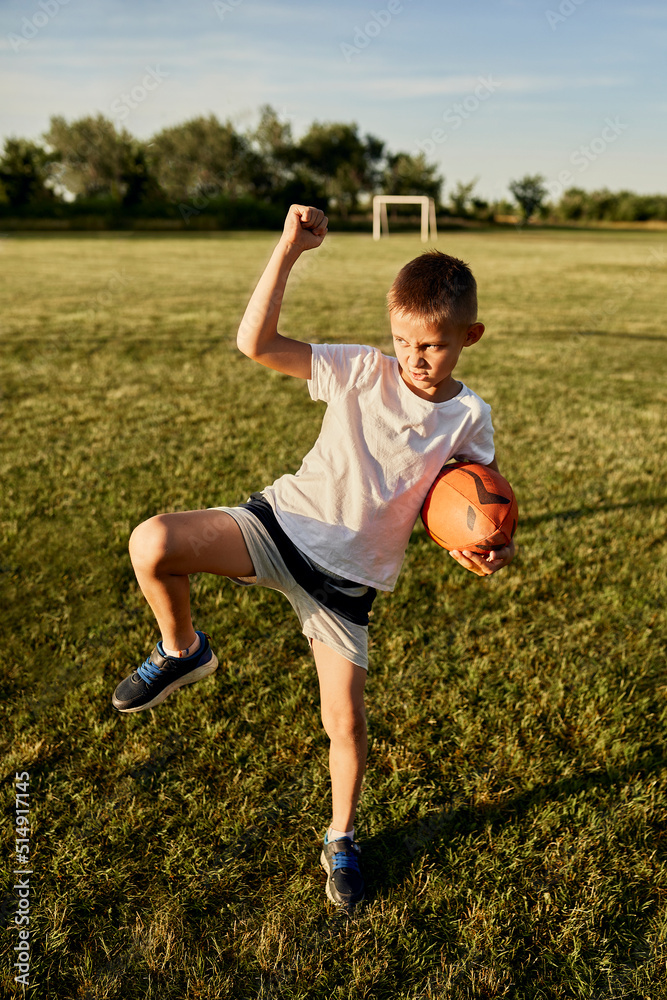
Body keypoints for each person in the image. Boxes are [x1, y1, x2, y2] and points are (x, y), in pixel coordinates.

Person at [111, 204, 516, 909]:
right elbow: (255, 342)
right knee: (152, 541)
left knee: (347, 726)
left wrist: (480, 549)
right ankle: (183, 650)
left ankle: (340, 840)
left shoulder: (468, 417)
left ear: (469, 338)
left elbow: (461, 505)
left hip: (345, 586)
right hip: (280, 527)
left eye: (431, 347)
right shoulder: (361, 370)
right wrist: (288, 250)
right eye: (402, 342)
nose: (414, 360)